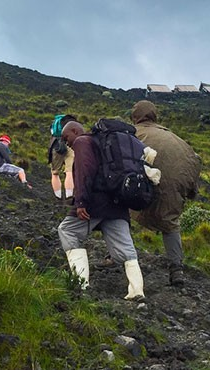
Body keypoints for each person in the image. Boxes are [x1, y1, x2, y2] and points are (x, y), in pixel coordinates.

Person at [56, 121, 145, 301]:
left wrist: (81, 201)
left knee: (67, 230)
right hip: (117, 202)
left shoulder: (82, 142)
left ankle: (80, 285)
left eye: (67, 138)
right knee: (125, 247)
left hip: (95, 202)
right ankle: (137, 291)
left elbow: (85, 172)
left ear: (75, 131)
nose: (67, 143)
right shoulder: (103, 144)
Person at [130, 100, 202, 287]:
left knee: (121, 213)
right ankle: (176, 269)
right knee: (170, 224)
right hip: (175, 188)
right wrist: (190, 192)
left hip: (142, 188)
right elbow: (194, 163)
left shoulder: (133, 134)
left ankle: (115, 256)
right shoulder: (178, 141)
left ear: (135, 117)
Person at [48, 114, 77, 200]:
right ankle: (69, 195)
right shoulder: (72, 123)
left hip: (56, 146)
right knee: (69, 171)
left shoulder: (54, 125)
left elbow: (52, 135)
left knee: (55, 173)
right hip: (70, 146)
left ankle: (58, 196)